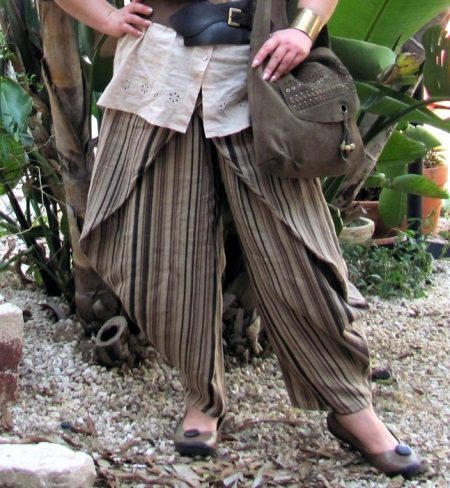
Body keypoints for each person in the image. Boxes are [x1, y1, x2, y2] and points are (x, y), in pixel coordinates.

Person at [55, 0, 422, 477]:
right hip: (161, 73)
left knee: (299, 255)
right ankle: (201, 396)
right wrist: (105, 18)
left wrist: (304, 28)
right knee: (167, 254)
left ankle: (351, 406)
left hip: (260, 78)